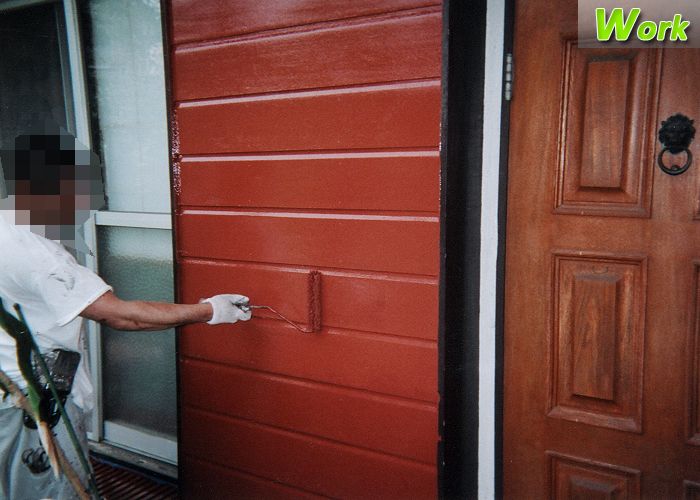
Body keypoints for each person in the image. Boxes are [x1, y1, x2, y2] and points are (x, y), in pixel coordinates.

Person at [0, 122, 251, 499]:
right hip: (35, 407)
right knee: (52, 490)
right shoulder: (39, 255)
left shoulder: (6, 224)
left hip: (7, 390)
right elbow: (123, 316)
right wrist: (209, 310)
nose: (85, 200)